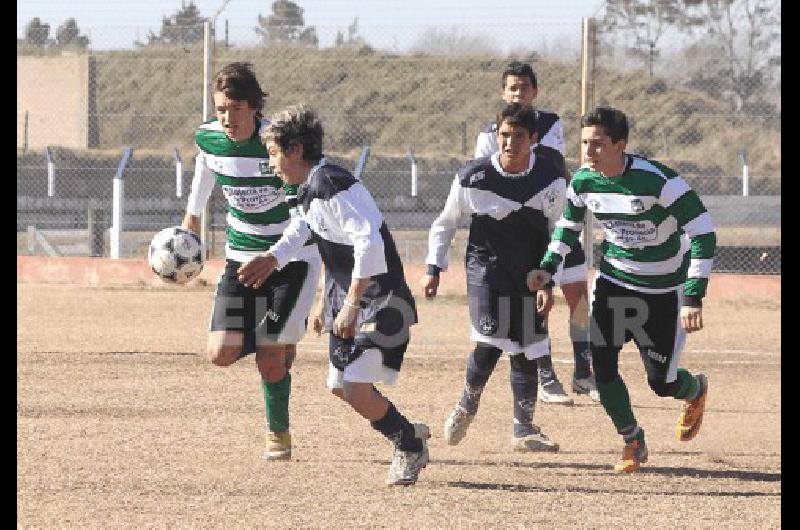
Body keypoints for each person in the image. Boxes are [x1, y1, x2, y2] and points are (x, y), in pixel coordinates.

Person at [238, 104, 430, 486]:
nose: (272, 164)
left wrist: (352, 305)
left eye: (274, 154)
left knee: (355, 387)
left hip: (381, 300)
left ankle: (408, 444)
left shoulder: (331, 184)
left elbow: (368, 244)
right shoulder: (309, 188)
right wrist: (278, 262)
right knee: (339, 386)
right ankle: (407, 430)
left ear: (295, 149)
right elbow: (308, 233)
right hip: (350, 298)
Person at [527, 106, 715, 472]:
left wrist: (693, 296)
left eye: (597, 145)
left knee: (662, 383)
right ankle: (632, 440)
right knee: (603, 366)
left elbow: (704, 234)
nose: (587, 152)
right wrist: (547, 269)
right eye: (584, 144)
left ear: (620, 145)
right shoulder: (582, 182)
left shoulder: (660, 181)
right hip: (615, 283)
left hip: (664, 291)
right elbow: (566, 229)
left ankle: (694, 389)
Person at [182, 62, 322, 461]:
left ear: (256, 107)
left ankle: (278, 432)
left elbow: (305, 214)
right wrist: (192, 216)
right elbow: (206, 165)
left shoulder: (279, 143)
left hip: (292, 258)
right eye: (222, 109)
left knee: (269, 355)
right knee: (220, 353)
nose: (228, 118)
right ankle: (275, 347)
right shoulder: (209, 138)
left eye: (237, 109)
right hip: (240, 255)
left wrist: (275, 256)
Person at [424, 103, 561, 452]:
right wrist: (434, 266)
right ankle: (466, 406)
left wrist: (549, 280)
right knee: (490, 341)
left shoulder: (550, 179)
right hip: (486, 270)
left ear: (533, 139)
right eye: (504, 135)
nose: (509, 142)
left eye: (518, 136)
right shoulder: (474, 177)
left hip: (531, 274)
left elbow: (560, 231)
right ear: (495, 136)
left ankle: (524, 428)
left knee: (528, 348)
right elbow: (446, 222)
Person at [476, 60, 598, 405]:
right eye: (512, 88)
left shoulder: (551, 123)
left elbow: (550, 163)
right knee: (534, 300)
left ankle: (584, 372)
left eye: (524, 88)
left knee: (577, 294)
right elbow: (485, 174)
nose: (518, 93)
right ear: (503, 92)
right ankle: (545, 374)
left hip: (556, 216)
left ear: (535, 92)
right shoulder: (488, 133)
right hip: (523, 229)